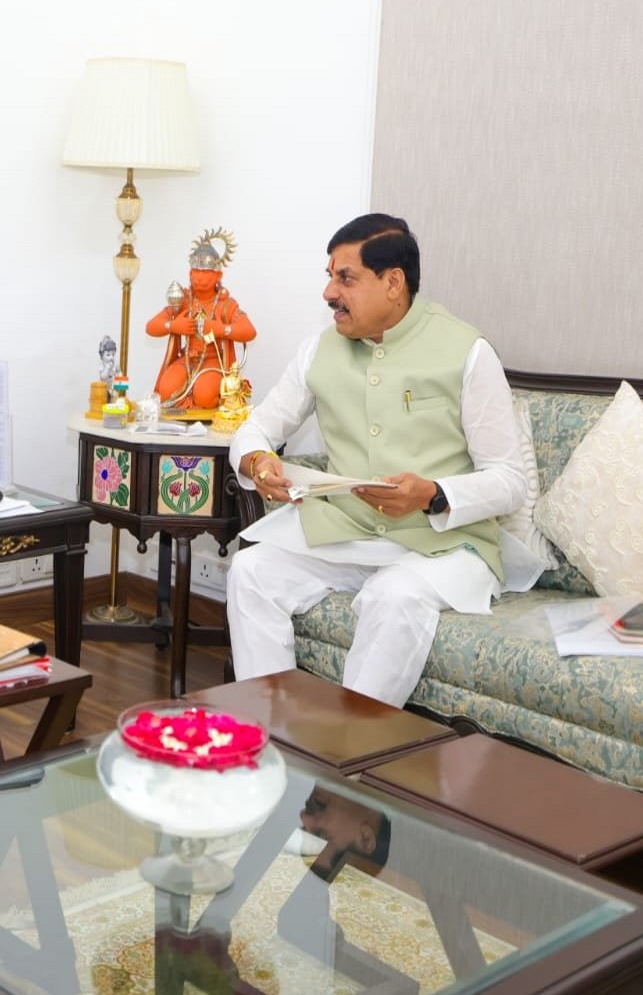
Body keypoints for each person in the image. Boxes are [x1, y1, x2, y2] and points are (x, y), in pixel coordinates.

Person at [227, 213, 542, 708]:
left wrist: (434, 495)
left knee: (393, 595)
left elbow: (509, 481)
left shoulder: (468, 352)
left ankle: (350, 760)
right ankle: (270, 739)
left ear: (393, 282)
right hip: (349, 535)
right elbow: (255, 428)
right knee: (251, 571)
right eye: (329, 276)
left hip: (444, 547)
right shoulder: (319, 350)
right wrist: (257, 461)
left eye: (345, 278)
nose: (329, 292)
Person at [147, 231, 257, 411]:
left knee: (205, 396)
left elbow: (250, 331)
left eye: (205, 272)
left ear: (218, 276)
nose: (199, 277)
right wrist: (173, 326)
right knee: (166, 390)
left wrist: (221, 329)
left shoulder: (225, 304)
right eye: (195, 271)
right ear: (189, 273)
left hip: (213, 362)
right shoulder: (183, 301)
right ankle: (188, 404)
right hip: (188, 359)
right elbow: (151, 327)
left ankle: (201, 403)